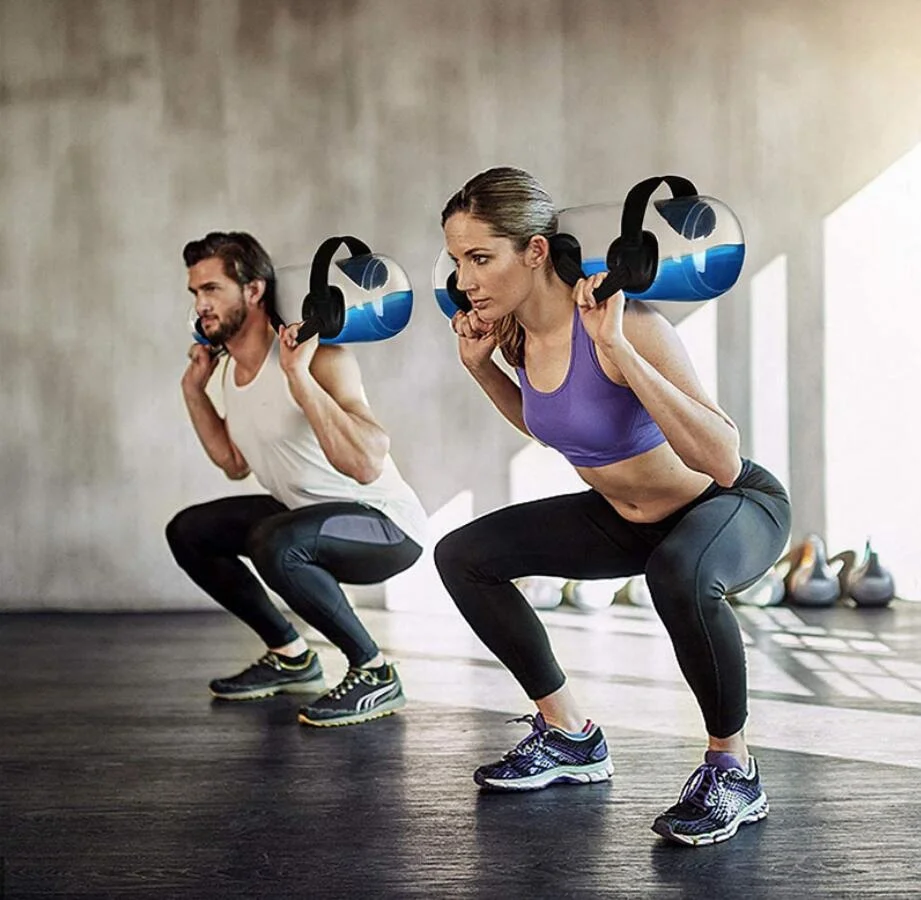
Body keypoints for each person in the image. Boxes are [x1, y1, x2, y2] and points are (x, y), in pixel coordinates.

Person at [432, 168, 791, 846]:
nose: (464, 280)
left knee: (678, 571)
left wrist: (617, 349)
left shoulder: (627, 323)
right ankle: (569, 734)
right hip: (627, 520)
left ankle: (733, 769)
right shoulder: (515, 337)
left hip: (727, 504)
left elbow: (721, 458)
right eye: (456, 261)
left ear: (535, 251)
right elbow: (556, 426)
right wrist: (481, 367)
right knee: (463, 555)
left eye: (479, 257)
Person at [166, 232, 427, 727]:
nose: (201, 305)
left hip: (386, 527)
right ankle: (291, 656)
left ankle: (375, 672)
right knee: (190, 531)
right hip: (302, 519)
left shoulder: (321, 357)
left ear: (254, 290)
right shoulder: (229, 372)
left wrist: (298, 377)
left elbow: (367, 464)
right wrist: (194, 390)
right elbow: (234, 463)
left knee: (275, 539)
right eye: (195, 293)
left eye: (212, 289)